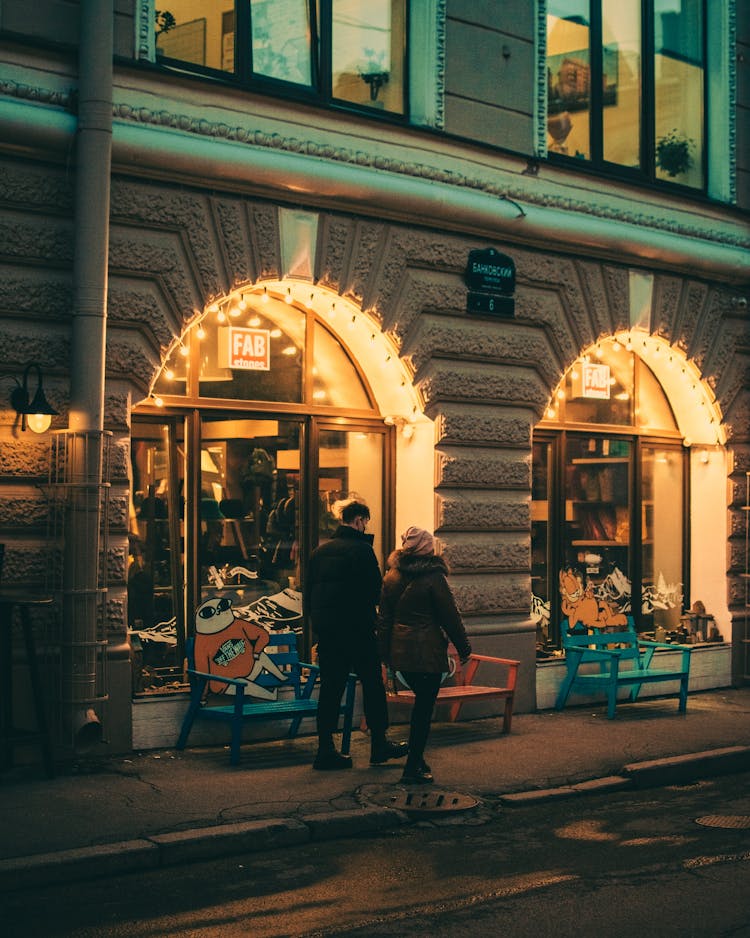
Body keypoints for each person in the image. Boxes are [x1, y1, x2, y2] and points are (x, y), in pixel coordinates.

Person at [304, 497, 408, 770]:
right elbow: (377, 592)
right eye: (365, 522)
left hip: (328, 633)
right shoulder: (362, 551)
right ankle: (378, 745)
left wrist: (320, 624)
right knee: (373, 686)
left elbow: (309, 594)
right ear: (360, 520)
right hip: (358, 630)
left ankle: (325, 749)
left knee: (330, 689)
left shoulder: (319, 552)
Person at [377, 525, 472, 785]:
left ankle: (417, 760)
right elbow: (449, 616)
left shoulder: (391, 577)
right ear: (426, 549)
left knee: (421, 705)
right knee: (423, 709)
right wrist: (464, 648)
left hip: (400, 652)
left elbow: (384, 620)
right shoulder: (433, 577)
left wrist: (385, 654)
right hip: (426, 653)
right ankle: (412, 766)